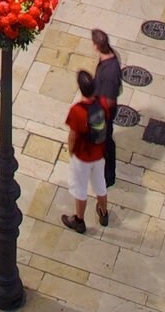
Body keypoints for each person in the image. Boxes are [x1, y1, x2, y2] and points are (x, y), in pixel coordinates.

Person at [63, 68, 112, 233]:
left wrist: (71, 153)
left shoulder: (77, 110)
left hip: (82, 157)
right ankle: (104, 214)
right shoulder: (102, 103)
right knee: (100, 184)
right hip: (99, 154)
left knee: (80, 188)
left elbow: (72, 136)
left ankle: (79, 220)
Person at [91, 30, 124, 191]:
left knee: (105, 143)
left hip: (104, 113)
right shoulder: (107, 57)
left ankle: (108, 176)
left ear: (96, 46)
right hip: (99, 108)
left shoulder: (111, 71)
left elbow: (110, 100)